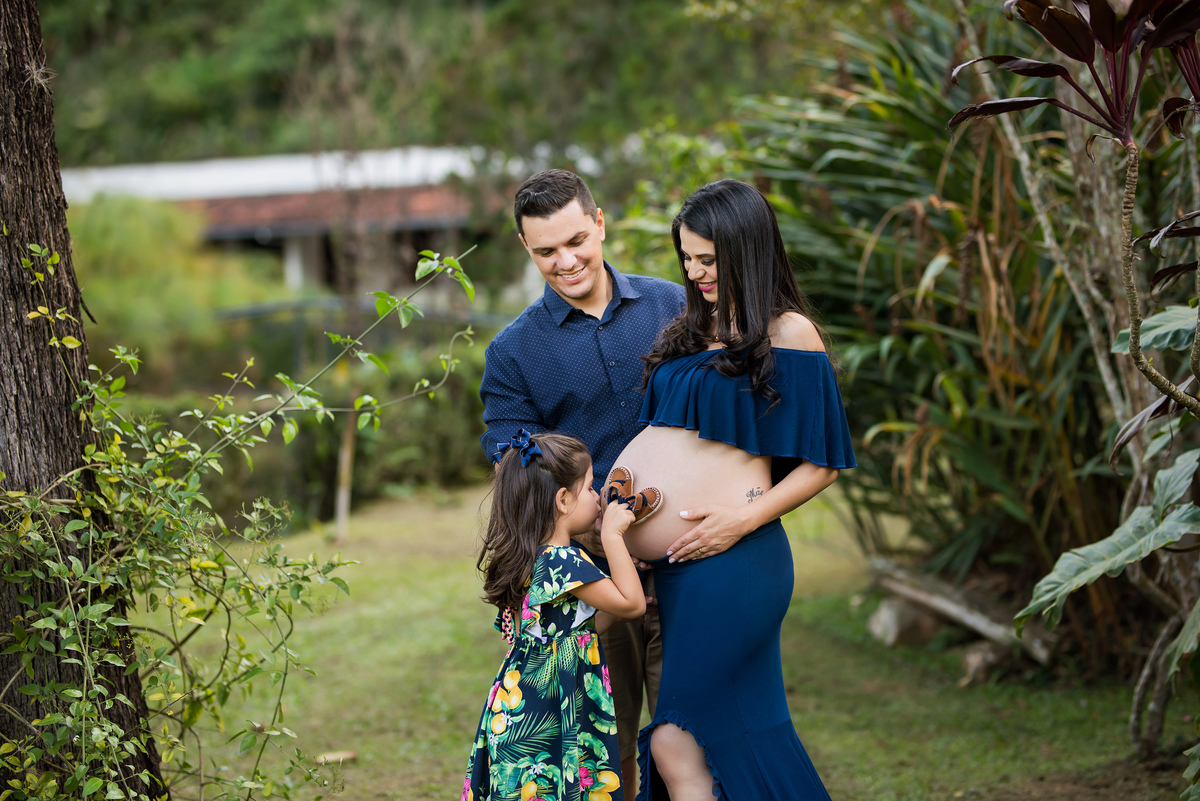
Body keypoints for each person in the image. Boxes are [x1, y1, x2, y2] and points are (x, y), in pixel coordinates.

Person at [611, 179, 857, 800]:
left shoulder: (789, 331)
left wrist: (740, 520)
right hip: (678, 570)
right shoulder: (695, 327)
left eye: (707, 259)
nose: (694, 273)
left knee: (677, 738)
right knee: (720, 735)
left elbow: (822, 465)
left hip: (736, 559)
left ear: (746, 250)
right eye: (687, 258)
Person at [478, 169, 686, 788]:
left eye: (576, 241)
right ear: (525, 246)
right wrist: (591, 540)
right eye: (546, 251)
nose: (566, 262)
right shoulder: (512, 352)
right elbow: (516, 471)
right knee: (603, 751)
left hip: (689, 557)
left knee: (690, 737)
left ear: (599, 224)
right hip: (590, 583)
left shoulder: (673, 307)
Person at [461, 430, 646, 801]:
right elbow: (632, 604)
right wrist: (612, 536)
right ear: (563, 500)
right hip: (551, 710)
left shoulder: (529, 556)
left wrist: (611, 608)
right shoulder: (563, 560)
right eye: (590, 487)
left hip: (523, 706)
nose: (597, 497)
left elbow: (575, 628)